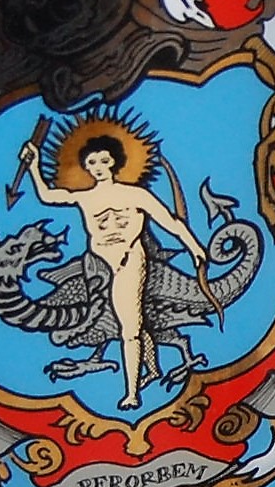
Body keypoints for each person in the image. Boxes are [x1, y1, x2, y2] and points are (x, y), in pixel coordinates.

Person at [22, 131, 208, 411]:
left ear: (114, 163)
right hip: (98, 265)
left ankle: (132, 393)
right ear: (86, 166)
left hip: (128, 261)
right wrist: (34, 166)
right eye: (92, 162)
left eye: (103, 160)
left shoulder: (136, 195)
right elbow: (48, 196)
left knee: (129, 328)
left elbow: (170, 221)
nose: (98, 166)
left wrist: (194, 247)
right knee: (131, 319)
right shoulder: (84, 197)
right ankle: (153, 368)